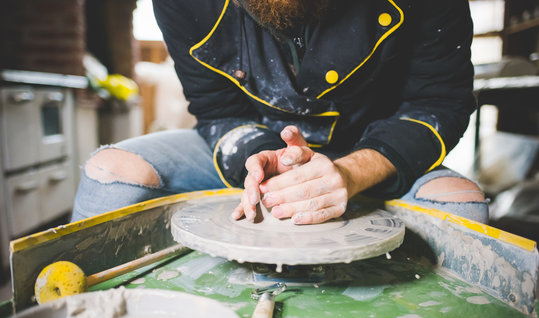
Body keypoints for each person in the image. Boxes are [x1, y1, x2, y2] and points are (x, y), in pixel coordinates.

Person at [71, 0, 488, 225]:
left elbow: (438, 103)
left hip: (371, 150)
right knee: (112, 174)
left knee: (460, 204)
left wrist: (350, 172)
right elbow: (217, 111)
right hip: (260, 144)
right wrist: (267, 162)